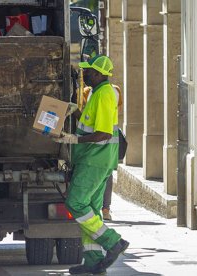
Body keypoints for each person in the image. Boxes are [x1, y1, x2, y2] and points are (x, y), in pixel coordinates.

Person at [52, 55, 129, 275]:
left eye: (89, 72)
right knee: (92, 210)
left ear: (100, 74)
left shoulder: (104, 94)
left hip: (94, 159)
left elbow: (103, 132)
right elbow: (89, 121)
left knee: (75, 203)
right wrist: (73, 109)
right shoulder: (97, 93)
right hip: (95, 158)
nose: (85, 76)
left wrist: (73, 140)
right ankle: (94, 262)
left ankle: (113, 241)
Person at [82, 84, 123, 221]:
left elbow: (86, 114)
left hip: (95, 144)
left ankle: (93, 210)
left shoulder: (88, 92)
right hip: (110, 147)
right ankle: (105, 209)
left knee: (95, 180)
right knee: (106, 178)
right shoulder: (116, 90)